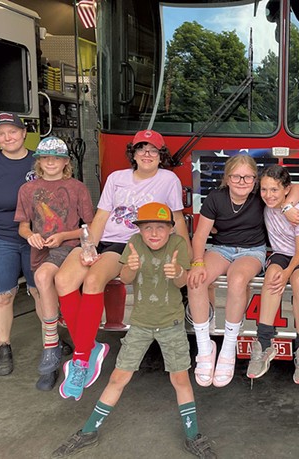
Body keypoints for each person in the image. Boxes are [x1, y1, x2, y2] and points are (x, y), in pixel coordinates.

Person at [52, 203, 215, 458]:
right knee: (118, 378)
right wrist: (132, 267)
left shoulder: (178, 245)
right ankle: (88, 430)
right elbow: (125, 279)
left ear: (171, 230)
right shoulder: (134, 244)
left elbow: (184, 282)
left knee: (180, 379)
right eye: (147, 228)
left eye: (160, 228)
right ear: (138, 230)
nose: (154, 233)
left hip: (171, 325)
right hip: (140, 324)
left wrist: (178, 272)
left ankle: (193, 435)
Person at [54, 129, 189, 401]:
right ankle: (89, 347)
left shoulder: (168, 179)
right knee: (63, 280)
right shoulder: (116, 178)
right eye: (141, 149)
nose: (147, 154)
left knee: (93, 282)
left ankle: (80, 361)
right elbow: (102, 216)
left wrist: (189, 259)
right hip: (101, 240)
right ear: (134, 153)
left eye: (153, 149)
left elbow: (177, 219)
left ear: (161, 155)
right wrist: (89, 247)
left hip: (127, 245)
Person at [187, 154, 299, 388]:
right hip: (221, 249)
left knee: (238, 279)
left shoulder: (260, 196)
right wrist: (198, 262)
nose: (242, 181)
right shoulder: (215, 198)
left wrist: (289, 207)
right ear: (227, 177)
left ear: (255, 179)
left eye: (248, 177)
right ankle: (204, 347)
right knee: (197, 280)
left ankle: (228, 349)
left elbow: (298, 186)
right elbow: (200, 236)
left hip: (252, 251)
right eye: (237, 176)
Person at [14, 137, 95, 391]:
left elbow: (89, 227)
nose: (51, 162)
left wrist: (63, 236)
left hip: (70, 248)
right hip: (41, 250)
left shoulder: (78, 187)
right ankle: (58, 349)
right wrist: (31, 236)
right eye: (46, 158)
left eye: (57, 158)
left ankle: (51, 349)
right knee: (42, 285)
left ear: (66, 162)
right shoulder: (27, 190)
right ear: (38, 161)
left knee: (41, 279)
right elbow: (23, 226)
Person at [0, 112, 40, 376]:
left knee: (42, 291)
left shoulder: (41, 161)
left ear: (24, 132)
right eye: (1, 133)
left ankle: (53, 341)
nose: (7, 137)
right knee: (3, 296)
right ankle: (4, 347)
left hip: (38, 239)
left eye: (12, 131)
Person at [246, 165, 299, 383]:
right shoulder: (267, 205)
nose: (268, 195)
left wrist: (287, 273)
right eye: (264, 190)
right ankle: (264, 343)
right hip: (280, 254)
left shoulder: (298, 213)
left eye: (274, 190)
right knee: (271, 275)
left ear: (285, 190)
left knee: (298, 280)